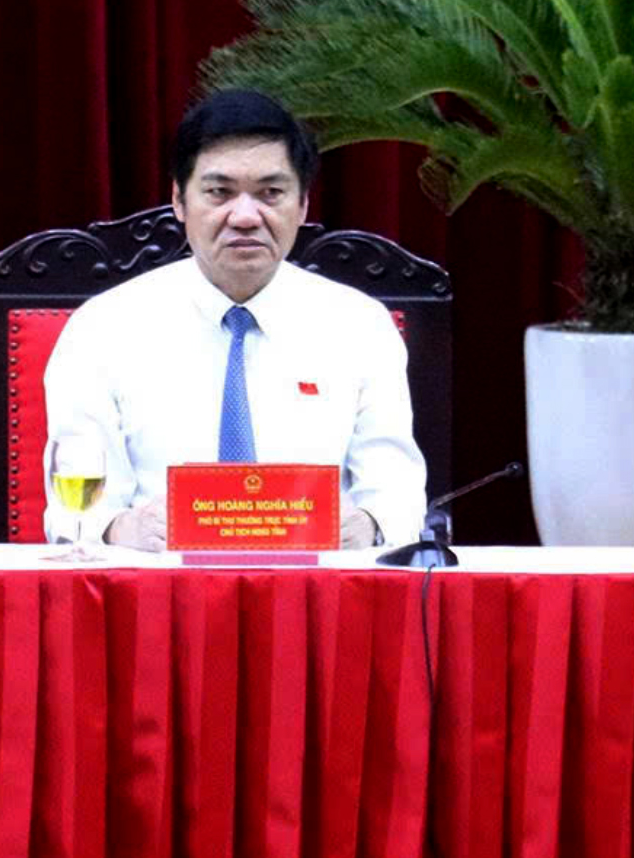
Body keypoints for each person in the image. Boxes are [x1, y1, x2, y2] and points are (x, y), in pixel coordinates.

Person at [41, 89, 426, 551]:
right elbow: (74, 508)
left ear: (303, 205)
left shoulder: (361, 326)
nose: (245, 217)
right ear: (179, 201)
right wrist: (122, 529)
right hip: (157, 583)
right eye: (219, 193)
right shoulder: (103, 328)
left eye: (270, 193)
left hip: (318, 586)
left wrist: (370, 525)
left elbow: (397, 491)